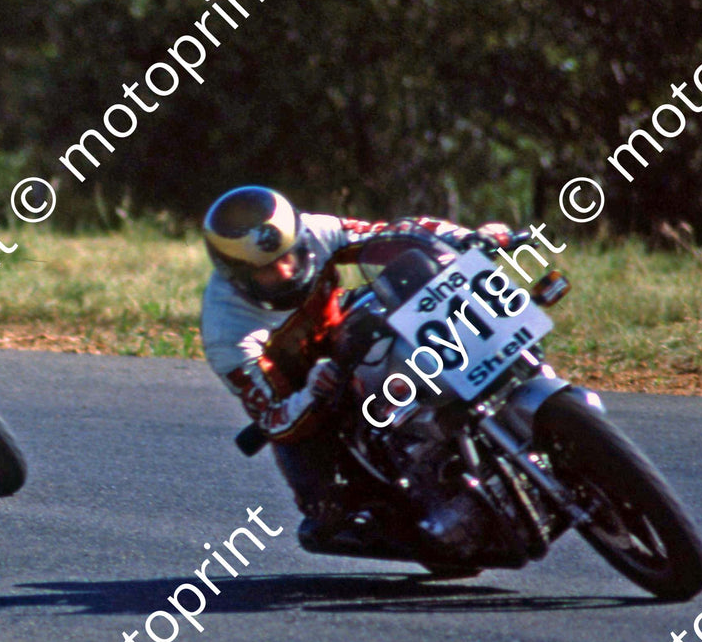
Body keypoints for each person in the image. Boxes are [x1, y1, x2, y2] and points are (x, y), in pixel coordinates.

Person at [200, 185, 511, 543]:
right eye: (267, 270)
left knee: (415, 281)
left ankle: (480, 393)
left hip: (342, 326)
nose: (285, 272)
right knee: (328, 508)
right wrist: (310, 391)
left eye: (289, 256)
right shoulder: (227, 331)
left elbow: (395, 234)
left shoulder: (314, 232)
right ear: (237, 275)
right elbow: (273, 417)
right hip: (301, 386)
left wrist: (466, 238)